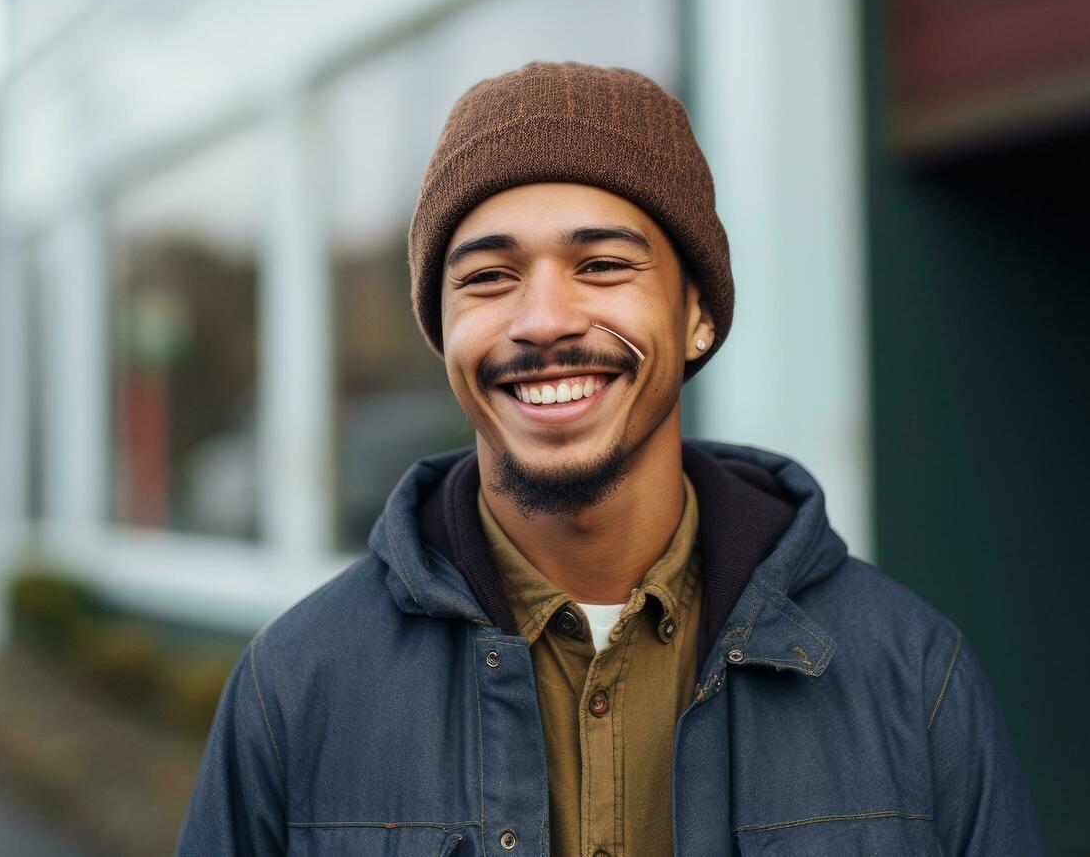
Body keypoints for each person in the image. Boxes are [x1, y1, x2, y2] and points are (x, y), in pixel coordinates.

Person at [176, 61, 1044, 856]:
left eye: (601, 264)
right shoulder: (294, 689)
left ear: (698, 312)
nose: (544, 319)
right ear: (444, 334)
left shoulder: (912, 677)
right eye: (487, 277)